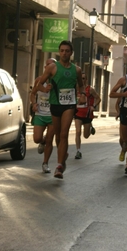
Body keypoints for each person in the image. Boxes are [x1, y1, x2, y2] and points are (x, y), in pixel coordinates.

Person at [37, 40, 84, 179]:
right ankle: (62, 158)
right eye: (62, 50)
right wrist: (45, 88)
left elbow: (81, 86)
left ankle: (58, 166)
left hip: (69, 105)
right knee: (58, 136)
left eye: (67, 51)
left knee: (64, 134)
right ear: (59, 52)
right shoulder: (52, 67)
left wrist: (82, 95)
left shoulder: (76, 69)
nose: (64, 53)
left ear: (71, 53)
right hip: (55, 104)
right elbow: (40, 84)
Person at [30, 58, 57, 173]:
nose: (48, 67)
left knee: (50, 140)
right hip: (40, 114)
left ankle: (45, 163)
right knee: (36, 139)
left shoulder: (57, 81)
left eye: (51, 65)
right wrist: (34, 103)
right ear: (45, 67)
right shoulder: (39, 80)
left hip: (52, 115)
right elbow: (32, 94)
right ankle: (42, 141)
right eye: (47, 65)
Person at [74, 73, 101, 159]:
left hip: (87, 114)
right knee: (78, 132)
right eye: (80, 78)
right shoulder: (75, 89)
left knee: (86, 136)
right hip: (77, 113)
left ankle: (90, 127)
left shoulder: (90, 89)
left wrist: (94, 106)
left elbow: (98, 98)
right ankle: (78, 151)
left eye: (83, 78)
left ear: (86, 80)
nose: (82, 80)